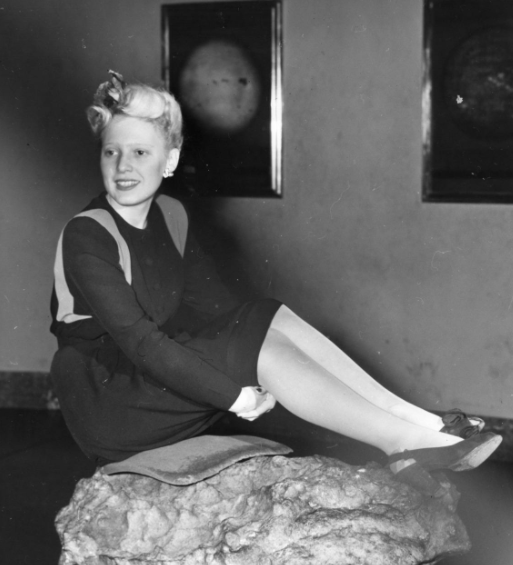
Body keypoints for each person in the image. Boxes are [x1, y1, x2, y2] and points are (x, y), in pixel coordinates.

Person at [50, 71, 501, 497]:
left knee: (262, 313)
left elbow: (223, 309)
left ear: (170, 160)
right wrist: (235, 396)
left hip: (147, 378)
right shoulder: (87, 233)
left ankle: (418, 422)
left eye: (140, 152)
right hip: (107, 397)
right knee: (251, 342)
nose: (123, 166)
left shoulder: (171, 216)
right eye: (112, 151)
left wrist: (261, 346)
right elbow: (142, 343)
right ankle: (399, 442)